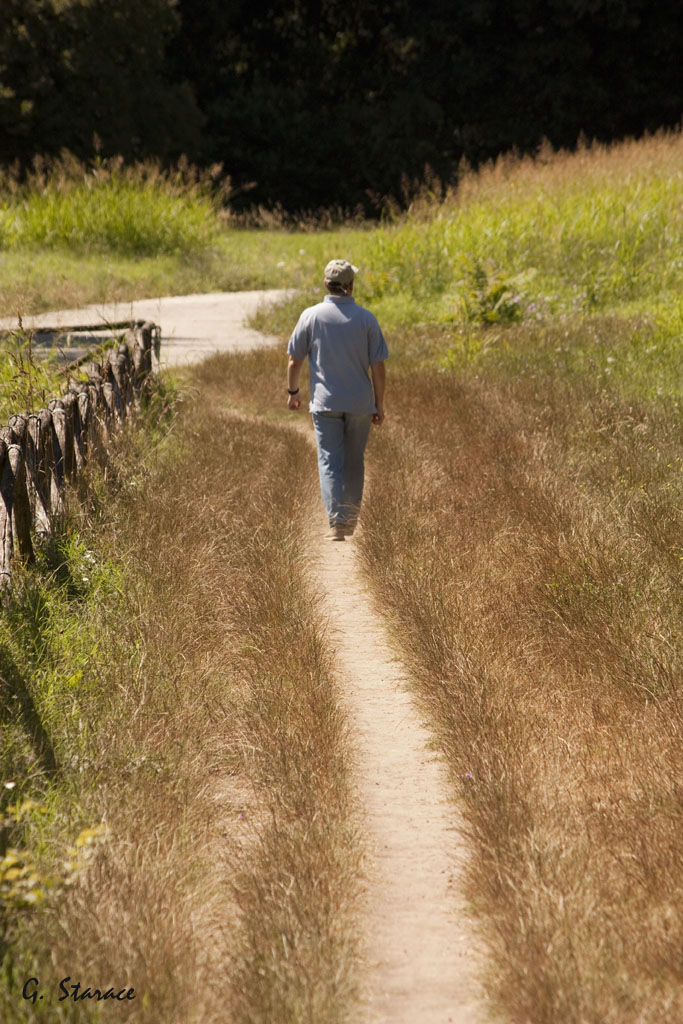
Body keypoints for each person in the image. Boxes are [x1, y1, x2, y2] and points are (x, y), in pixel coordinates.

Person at [286, 258, 388, 541]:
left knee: (330, 461)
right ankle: (351, 519)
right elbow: (378, 366)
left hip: (325, 403)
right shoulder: (367, 319)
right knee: (354, 460)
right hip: (359, 403)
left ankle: (336, 522)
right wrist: (379, 404)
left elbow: (295, 361)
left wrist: (293, 393)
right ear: (351, 285)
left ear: (325, 285)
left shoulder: (311, 316)